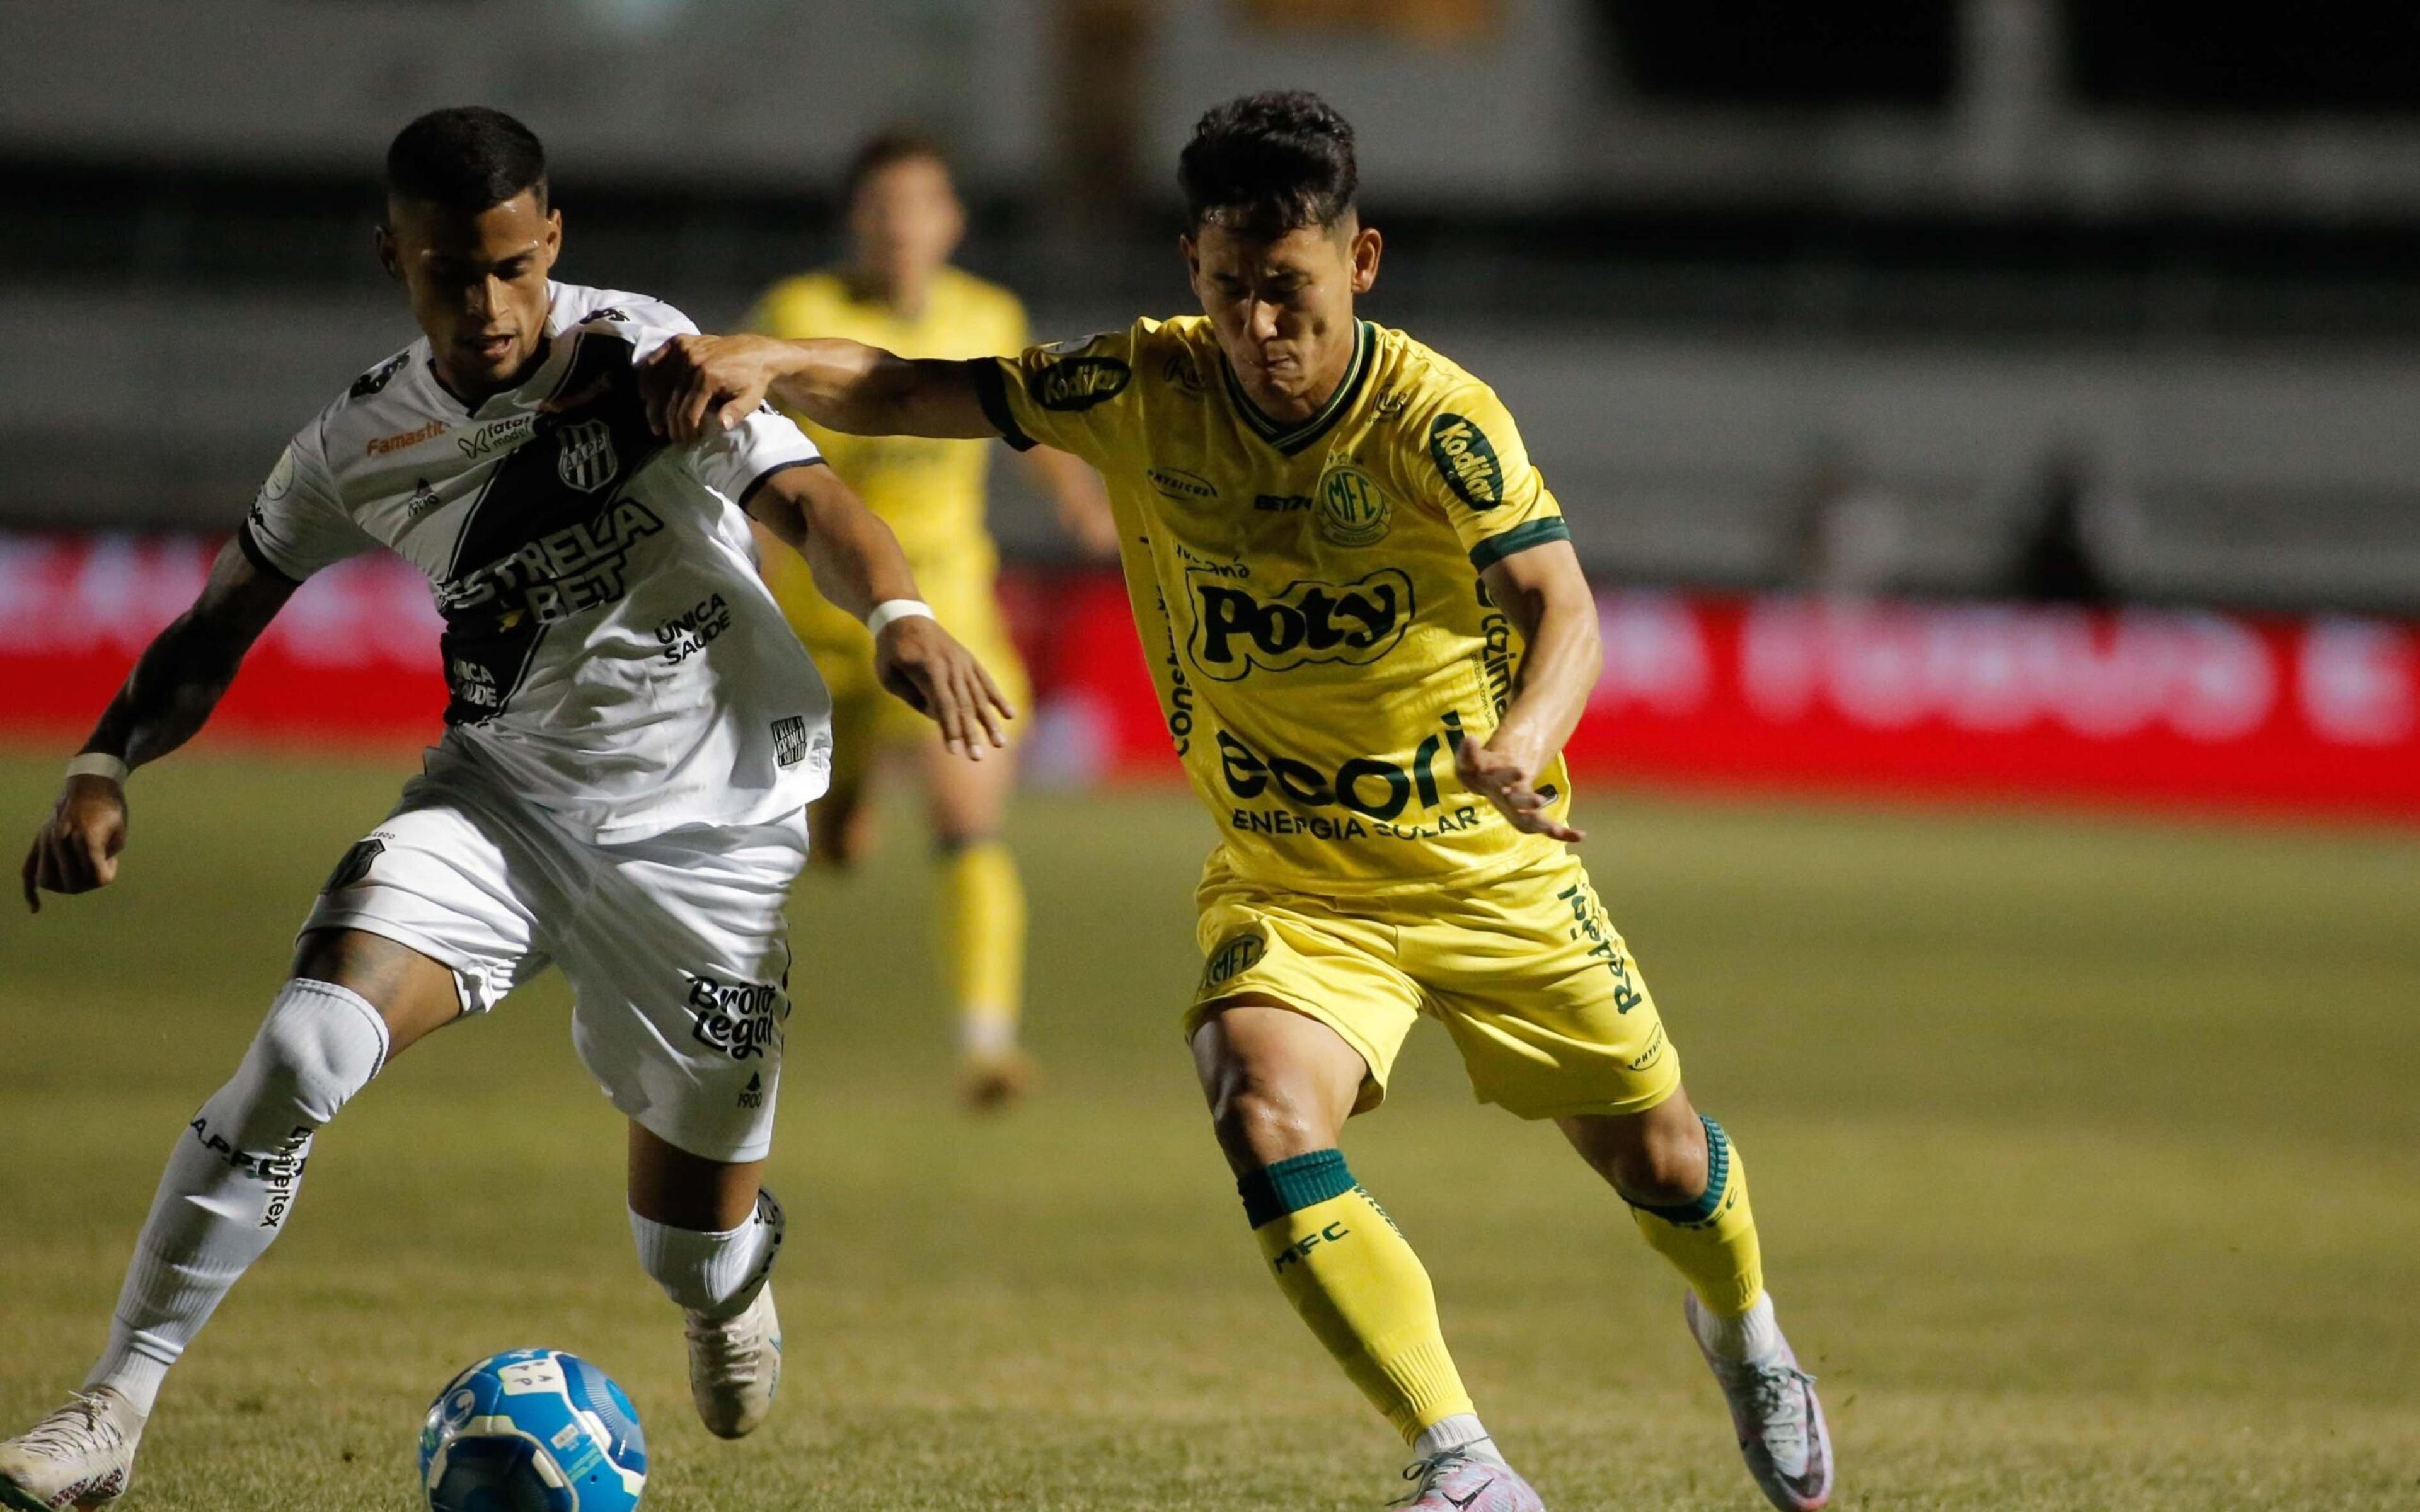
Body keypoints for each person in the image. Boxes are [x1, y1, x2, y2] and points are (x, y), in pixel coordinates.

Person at [640, 91, 1833, 1512]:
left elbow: (1558, 602)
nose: (1262, 332)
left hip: (1483, 864)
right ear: (1190, 270)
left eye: (1292, 294)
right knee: (1259, 1102)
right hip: (1295, 881)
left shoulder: (1439, 420)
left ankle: (1745, 1330)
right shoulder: (1144, 388)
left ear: (1362, 263)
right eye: (1228, 293)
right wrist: (772, 356)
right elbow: (911, 387)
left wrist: (1526, 735)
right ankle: (1461, 1462)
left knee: (1661, 1157)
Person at [4, 106, 1010, 1510]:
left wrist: (898, 611)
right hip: (503, 807)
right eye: (444, 275)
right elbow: (219, 617)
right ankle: (111, 1409)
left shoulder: (642, 358)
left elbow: (811, 505)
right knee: (304, 1047)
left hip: (713, 835)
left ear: (550, 241)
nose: (485, 307)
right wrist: (106, 763)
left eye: (508, 268)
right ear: (393, 261)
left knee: (687, 1247)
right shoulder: (363, 439)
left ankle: (729, 1289)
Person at [743, 129, 1112, 1108]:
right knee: (838, 845)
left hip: (950, 612)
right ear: (855, 220)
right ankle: (845, 803)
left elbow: (1027, 411)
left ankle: (989, 1043)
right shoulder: (799, 316)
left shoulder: (987, 313)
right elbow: (752, 456)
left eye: (920, 206)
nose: (901, 226)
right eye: (882, 207)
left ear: (950, 221)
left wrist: (1080, 498)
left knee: (967, 822)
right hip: (824, 622)